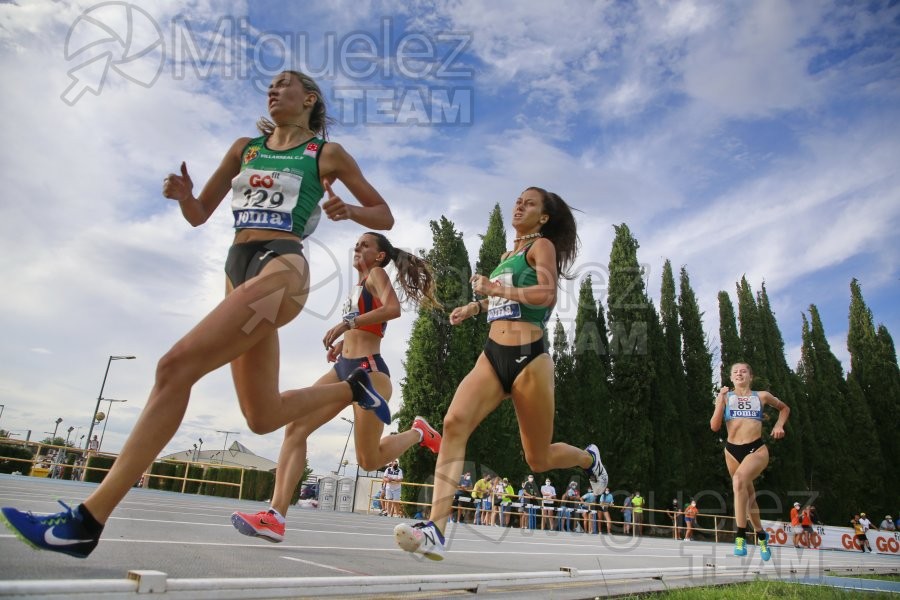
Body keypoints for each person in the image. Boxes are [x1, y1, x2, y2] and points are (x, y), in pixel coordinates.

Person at [0, 70, 396, 559]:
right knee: (261, 415)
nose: (272, 91)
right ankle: (352, 388)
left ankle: (88, 520)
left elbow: (384, 214)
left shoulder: (325, 154)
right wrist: (184, 196)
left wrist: (350, 213)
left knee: (174, 367)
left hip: (282, 268)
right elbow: (199, 214)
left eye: (284, 85)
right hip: (237, 271)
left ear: (309, 99)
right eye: (268, 87)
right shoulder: (243, 149)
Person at [393, 187, 608, 560]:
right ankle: (435, 530)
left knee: (537, 459)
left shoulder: (540, 248)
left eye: (530, 203)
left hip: (529, 358)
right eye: (518, 200)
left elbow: (545, 294)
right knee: (454, 423)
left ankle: (588, 459)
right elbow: (500, 298)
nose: (519, 205)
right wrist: (474, 308)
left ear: (543, 218)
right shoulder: (506, 256)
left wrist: (494, 286)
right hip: (492, 355)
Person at [230, 231, 442, 541]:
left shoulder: (377, 274)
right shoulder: (358, 287)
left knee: (368, 460)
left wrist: (348, 324)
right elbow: (370, 324)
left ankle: (418, 433)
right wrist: (345, 342)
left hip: (369, 372)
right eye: (356, 243)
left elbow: (393, 309)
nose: (357, 247)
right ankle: (275, 516)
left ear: (380, 255)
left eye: (365, 244)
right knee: (296, 427)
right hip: (343, 366)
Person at [710, 362, 790, 562]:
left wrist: (780, 425)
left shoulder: (761, 396)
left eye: (743, 371)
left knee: (738, 481)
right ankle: (762, 535)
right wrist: (720, 400)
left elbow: (784, 408)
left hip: (756, 449)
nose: (739, 373)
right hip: (731, 450)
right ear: (731, 377)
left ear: (750, 376)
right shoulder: (725, 397)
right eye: (735, 372)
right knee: (749, 497)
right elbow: (714, 426)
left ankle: (740, 536)